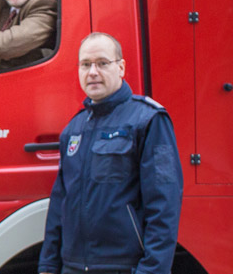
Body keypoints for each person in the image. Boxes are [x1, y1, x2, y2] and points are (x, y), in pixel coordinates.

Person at [38, 32, 183, 274]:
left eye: (102, 63)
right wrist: (48, 265)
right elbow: (60, 204)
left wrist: (152, 270)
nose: (93, 72)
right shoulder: (74, 128)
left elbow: (164, 205)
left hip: (124, 267)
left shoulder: (149, 121)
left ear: (121, 67)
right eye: (85, 64)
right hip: (73, 267)